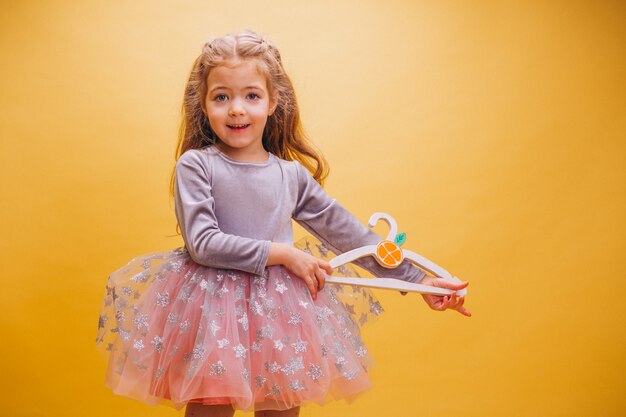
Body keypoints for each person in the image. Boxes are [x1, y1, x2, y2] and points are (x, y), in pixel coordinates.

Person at [95, 30, 470, 417]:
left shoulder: (291, 176)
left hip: (280, 314)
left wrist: (415, 279)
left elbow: (348, 234)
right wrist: (284, 254)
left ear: (273, 101)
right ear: (203, 104)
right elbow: (203, 243)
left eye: (251, 96)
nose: (237, 109)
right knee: (211, 407)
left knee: (281, 407)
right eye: (221, 96)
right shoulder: (197, 165)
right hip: (213, 313)